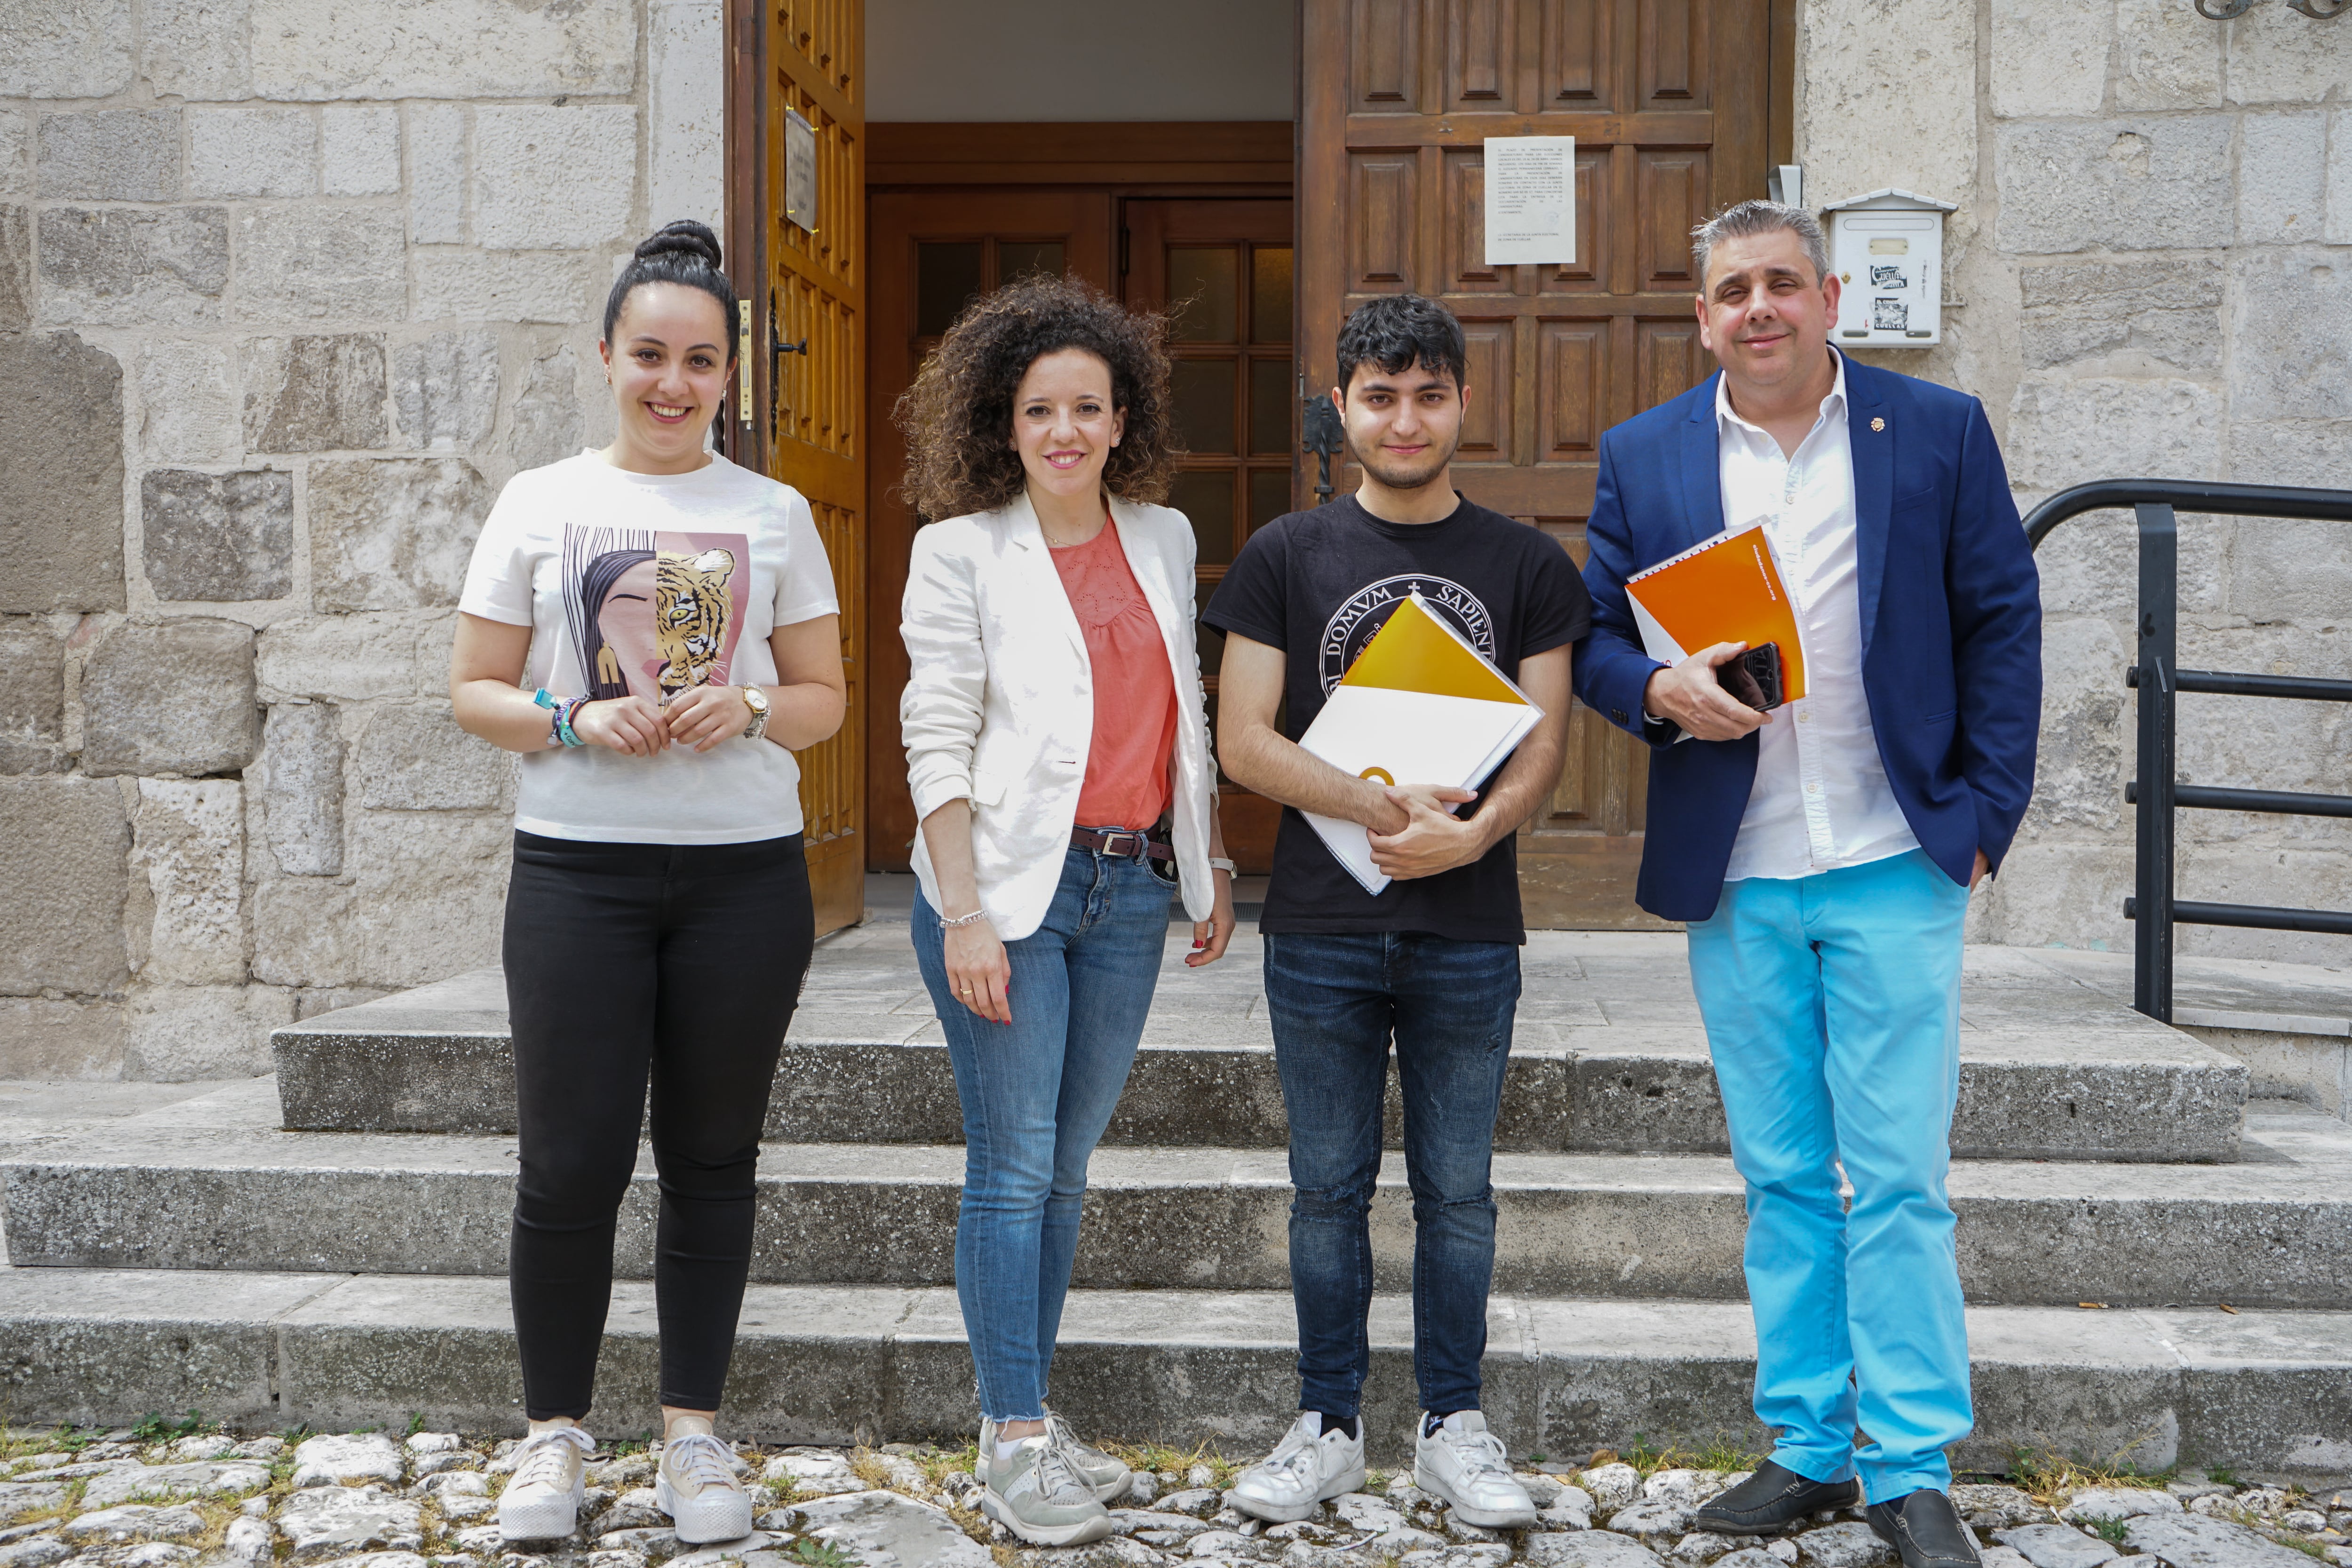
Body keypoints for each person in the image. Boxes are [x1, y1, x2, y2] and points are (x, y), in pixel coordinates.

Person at [1572, 200, 2041, 1568]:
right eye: (1733, 291)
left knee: (1896, 1178)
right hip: (1743, 868)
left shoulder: (1935, 431)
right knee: (1781, 1174)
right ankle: (1808, 1449)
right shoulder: (1645, 453)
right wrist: (1655, 686)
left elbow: (2001, 617)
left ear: (1831, 297)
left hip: (1897, 856)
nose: (1759, 308)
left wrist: (1987, 819)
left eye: (1783, 283)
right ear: (1703, 316)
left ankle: (1909, 1464)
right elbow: (1596, 634)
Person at [449, 219, 848, 1546]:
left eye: (700, 360)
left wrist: (746, 705)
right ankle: (553, 1435)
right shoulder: (540, 502)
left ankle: (693, 1439)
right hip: (577, 874)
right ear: (606, 357)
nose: (672, 383)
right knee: (568, 1163)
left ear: (732, 372)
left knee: (712, 1159)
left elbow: (825, 703)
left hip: (742, 880)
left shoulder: (773, 514)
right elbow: (473, 692)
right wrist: (570, 721)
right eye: (649, 356)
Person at [1205, 293, 1588, 1529]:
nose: (1406, 418)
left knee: (1458, 1192)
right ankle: (1324, 1425)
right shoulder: (1285, 556)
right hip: (1320, 925)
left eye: (1428, 394)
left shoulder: (1527, 564)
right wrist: (1376, 807)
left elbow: (1542, 740)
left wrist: (1474, 831)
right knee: (1325, 1186)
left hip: (1470, 927)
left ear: (1462, 403)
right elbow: (1245, 742)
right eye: (1381, 396)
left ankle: (1452, 1426)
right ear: (1344, 407)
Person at [896, 274, 1238, 1547]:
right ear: (1003, 421)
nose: (1064, 431)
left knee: (1069, 1168)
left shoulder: (1164, 536)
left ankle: (1022, 1409)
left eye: (1088, 407)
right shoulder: (960, 551)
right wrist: (967, 911)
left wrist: (1203, 868)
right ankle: (1016, 1436)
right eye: (1040, 409)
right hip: (1005, 896)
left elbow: (1183, 715)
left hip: (1129, 887)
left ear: (1121, 417)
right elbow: (932, 736)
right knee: (1013, 1164)